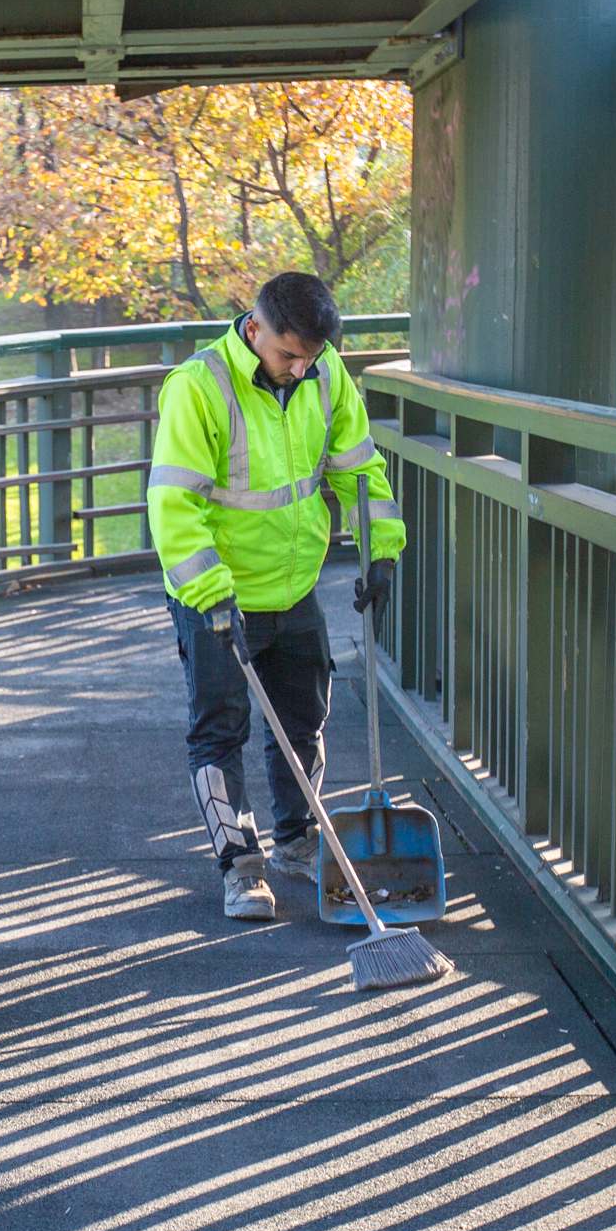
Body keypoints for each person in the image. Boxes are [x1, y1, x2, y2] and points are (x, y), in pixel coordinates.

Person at [149, 272, 405, 920]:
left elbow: (361, 471)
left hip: (293, 587)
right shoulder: (199, 387)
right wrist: (209, 593)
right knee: (219, 730)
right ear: (254, 327)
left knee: (303, 725)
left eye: (310, 356)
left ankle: (295, 841)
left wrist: (382, 551)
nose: (299, 368)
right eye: (288, 354)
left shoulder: (325, 374)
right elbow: (174, 506)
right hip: (217, 594)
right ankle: (239, 866)